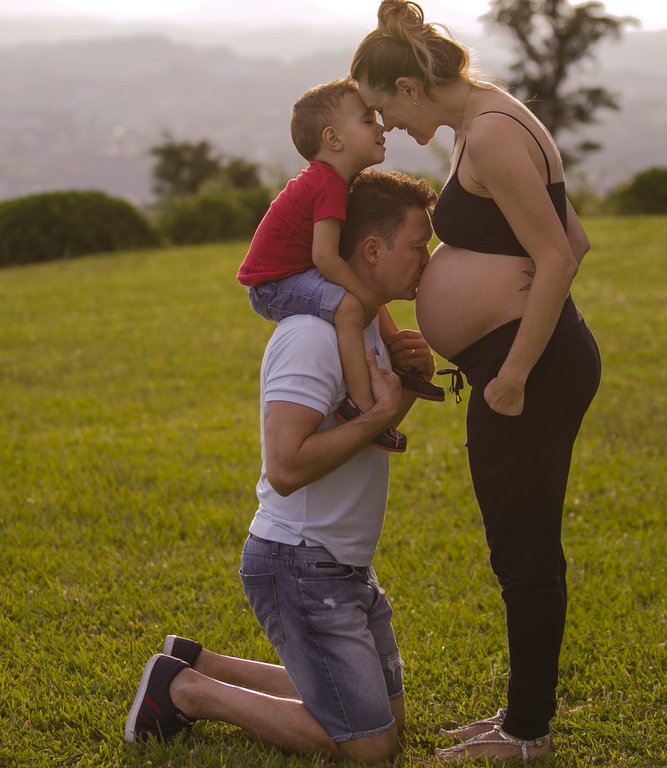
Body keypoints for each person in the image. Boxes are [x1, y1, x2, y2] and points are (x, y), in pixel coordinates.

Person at [351, 0, 602, 762]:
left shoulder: (490, 135)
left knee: (523, 550)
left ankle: (527, 734)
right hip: (514, 359)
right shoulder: (483, 124)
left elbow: (559, 254)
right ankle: (519, 717)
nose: (385, 128)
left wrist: (515, 368)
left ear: (409, 88)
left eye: (380, 110)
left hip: (527, 369)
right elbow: (576, 235)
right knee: (516, 544)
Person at [125, 170, 440, 765]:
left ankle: (199, 662)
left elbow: (364, 431)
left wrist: (403, 383)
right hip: (301, 564)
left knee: (390, 717)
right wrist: (380, 417)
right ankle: (185, 691)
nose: (429, 258)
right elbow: (287, 466)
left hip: (344, 565)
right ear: (372, 251)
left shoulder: (368, 323)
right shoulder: (310, 338)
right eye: (419, 245)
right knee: (372, 746)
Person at [236, 78, 444, 454]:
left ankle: (401, 370)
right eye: (368, 121)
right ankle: (363, 405)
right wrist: (363, 299)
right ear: (333, 139)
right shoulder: (328, 184)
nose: (381, 126)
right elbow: (325, 258)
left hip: (292, 273)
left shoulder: (335, 183)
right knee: (352, 303)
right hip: (274, 284)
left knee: (360, 297)